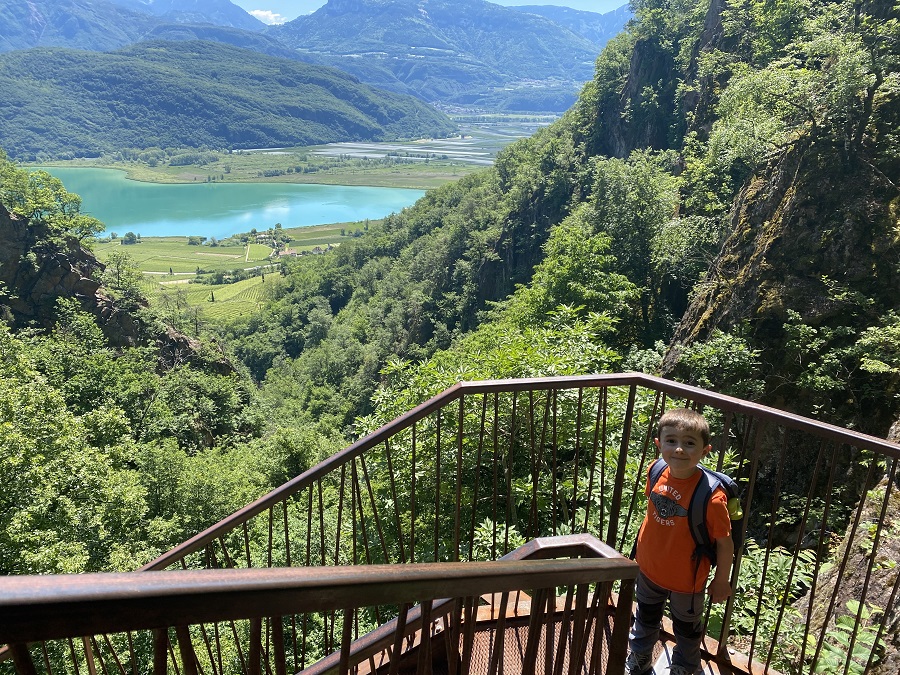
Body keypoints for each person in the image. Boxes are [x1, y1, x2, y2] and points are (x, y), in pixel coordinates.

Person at [625, 408, 734, 675]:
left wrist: (721, 580)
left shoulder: (712, 497)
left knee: (686, 629)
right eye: (671, 440)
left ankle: (685, 667)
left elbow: (725, 542)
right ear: (658, 443)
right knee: (645, 617)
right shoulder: (656, 470)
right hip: (649, 567)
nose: (679, 449)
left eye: (689, 443)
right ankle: (639, 657)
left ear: (705, 451)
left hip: (688, 579)